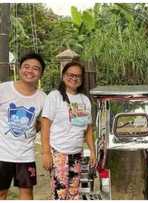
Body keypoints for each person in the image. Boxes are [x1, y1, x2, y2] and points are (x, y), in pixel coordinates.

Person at [41, 61, 96, 200]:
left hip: (77, 153)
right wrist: (46, 153)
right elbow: (45, 124)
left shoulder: (84, 100)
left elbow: (88, 129)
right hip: (59, 152)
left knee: (74, 193)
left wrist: (93, 151)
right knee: (60, 194)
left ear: (82, 79)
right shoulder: (55, 96)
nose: (74, 78)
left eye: (78, 76)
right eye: (70, 75)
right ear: (63, 76)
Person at [0, 52, 46, 200]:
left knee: (27, 194)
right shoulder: (4, 89)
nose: (30, 71)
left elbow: (44, 124)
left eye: (35, 68)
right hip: (2, 154)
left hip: (25, 155)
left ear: (41, 74)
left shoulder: (43, 98)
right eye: (26, 67)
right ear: (19, 69)